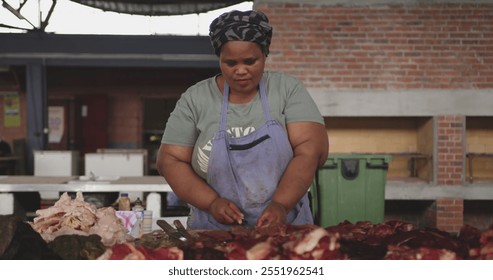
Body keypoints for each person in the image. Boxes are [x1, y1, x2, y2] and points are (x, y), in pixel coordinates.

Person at [156, 10, 328, 230]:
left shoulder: (287, 90)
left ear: (265, 54)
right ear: (219, 59)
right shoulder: (196, 99)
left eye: (250, 61)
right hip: (213, 231)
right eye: (230, 63)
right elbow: (169, 161)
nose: (241, 71)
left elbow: (311, 151)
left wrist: (281, 205)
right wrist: (211, 203)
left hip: (287, 227)